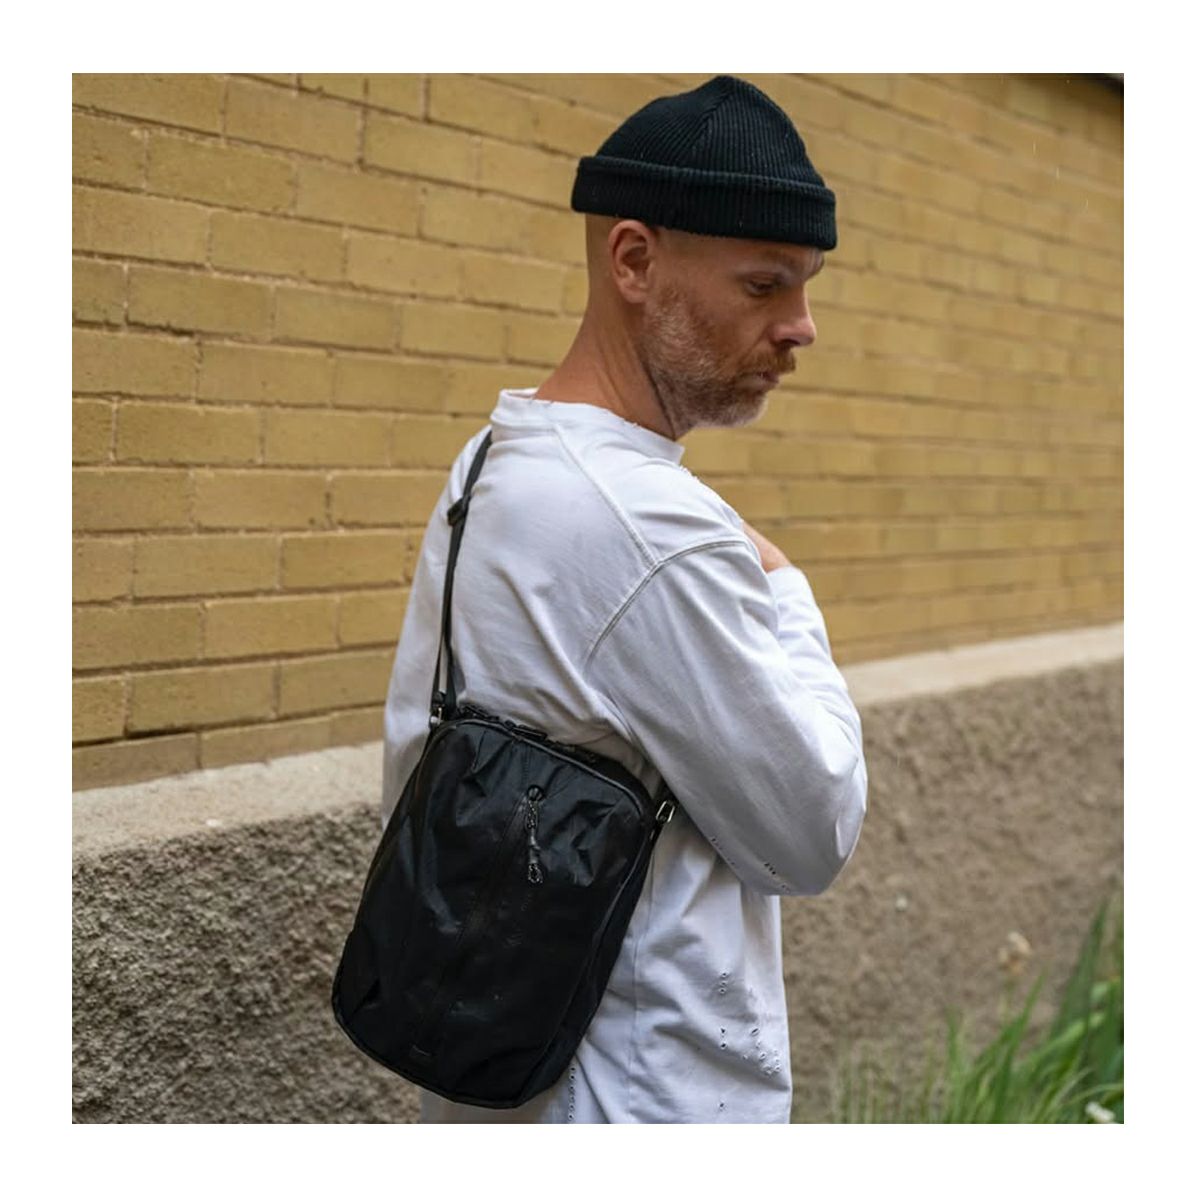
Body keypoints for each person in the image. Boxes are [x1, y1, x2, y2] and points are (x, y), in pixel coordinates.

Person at [381, 74, 868, 1123]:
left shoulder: (494, 461)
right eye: (764, 285)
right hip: (641, 1098)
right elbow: (811, 831)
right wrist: (786, 591)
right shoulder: (653, 528)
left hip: (504, 1073)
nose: (802, 327)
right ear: (635, 260)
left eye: (807, 286)